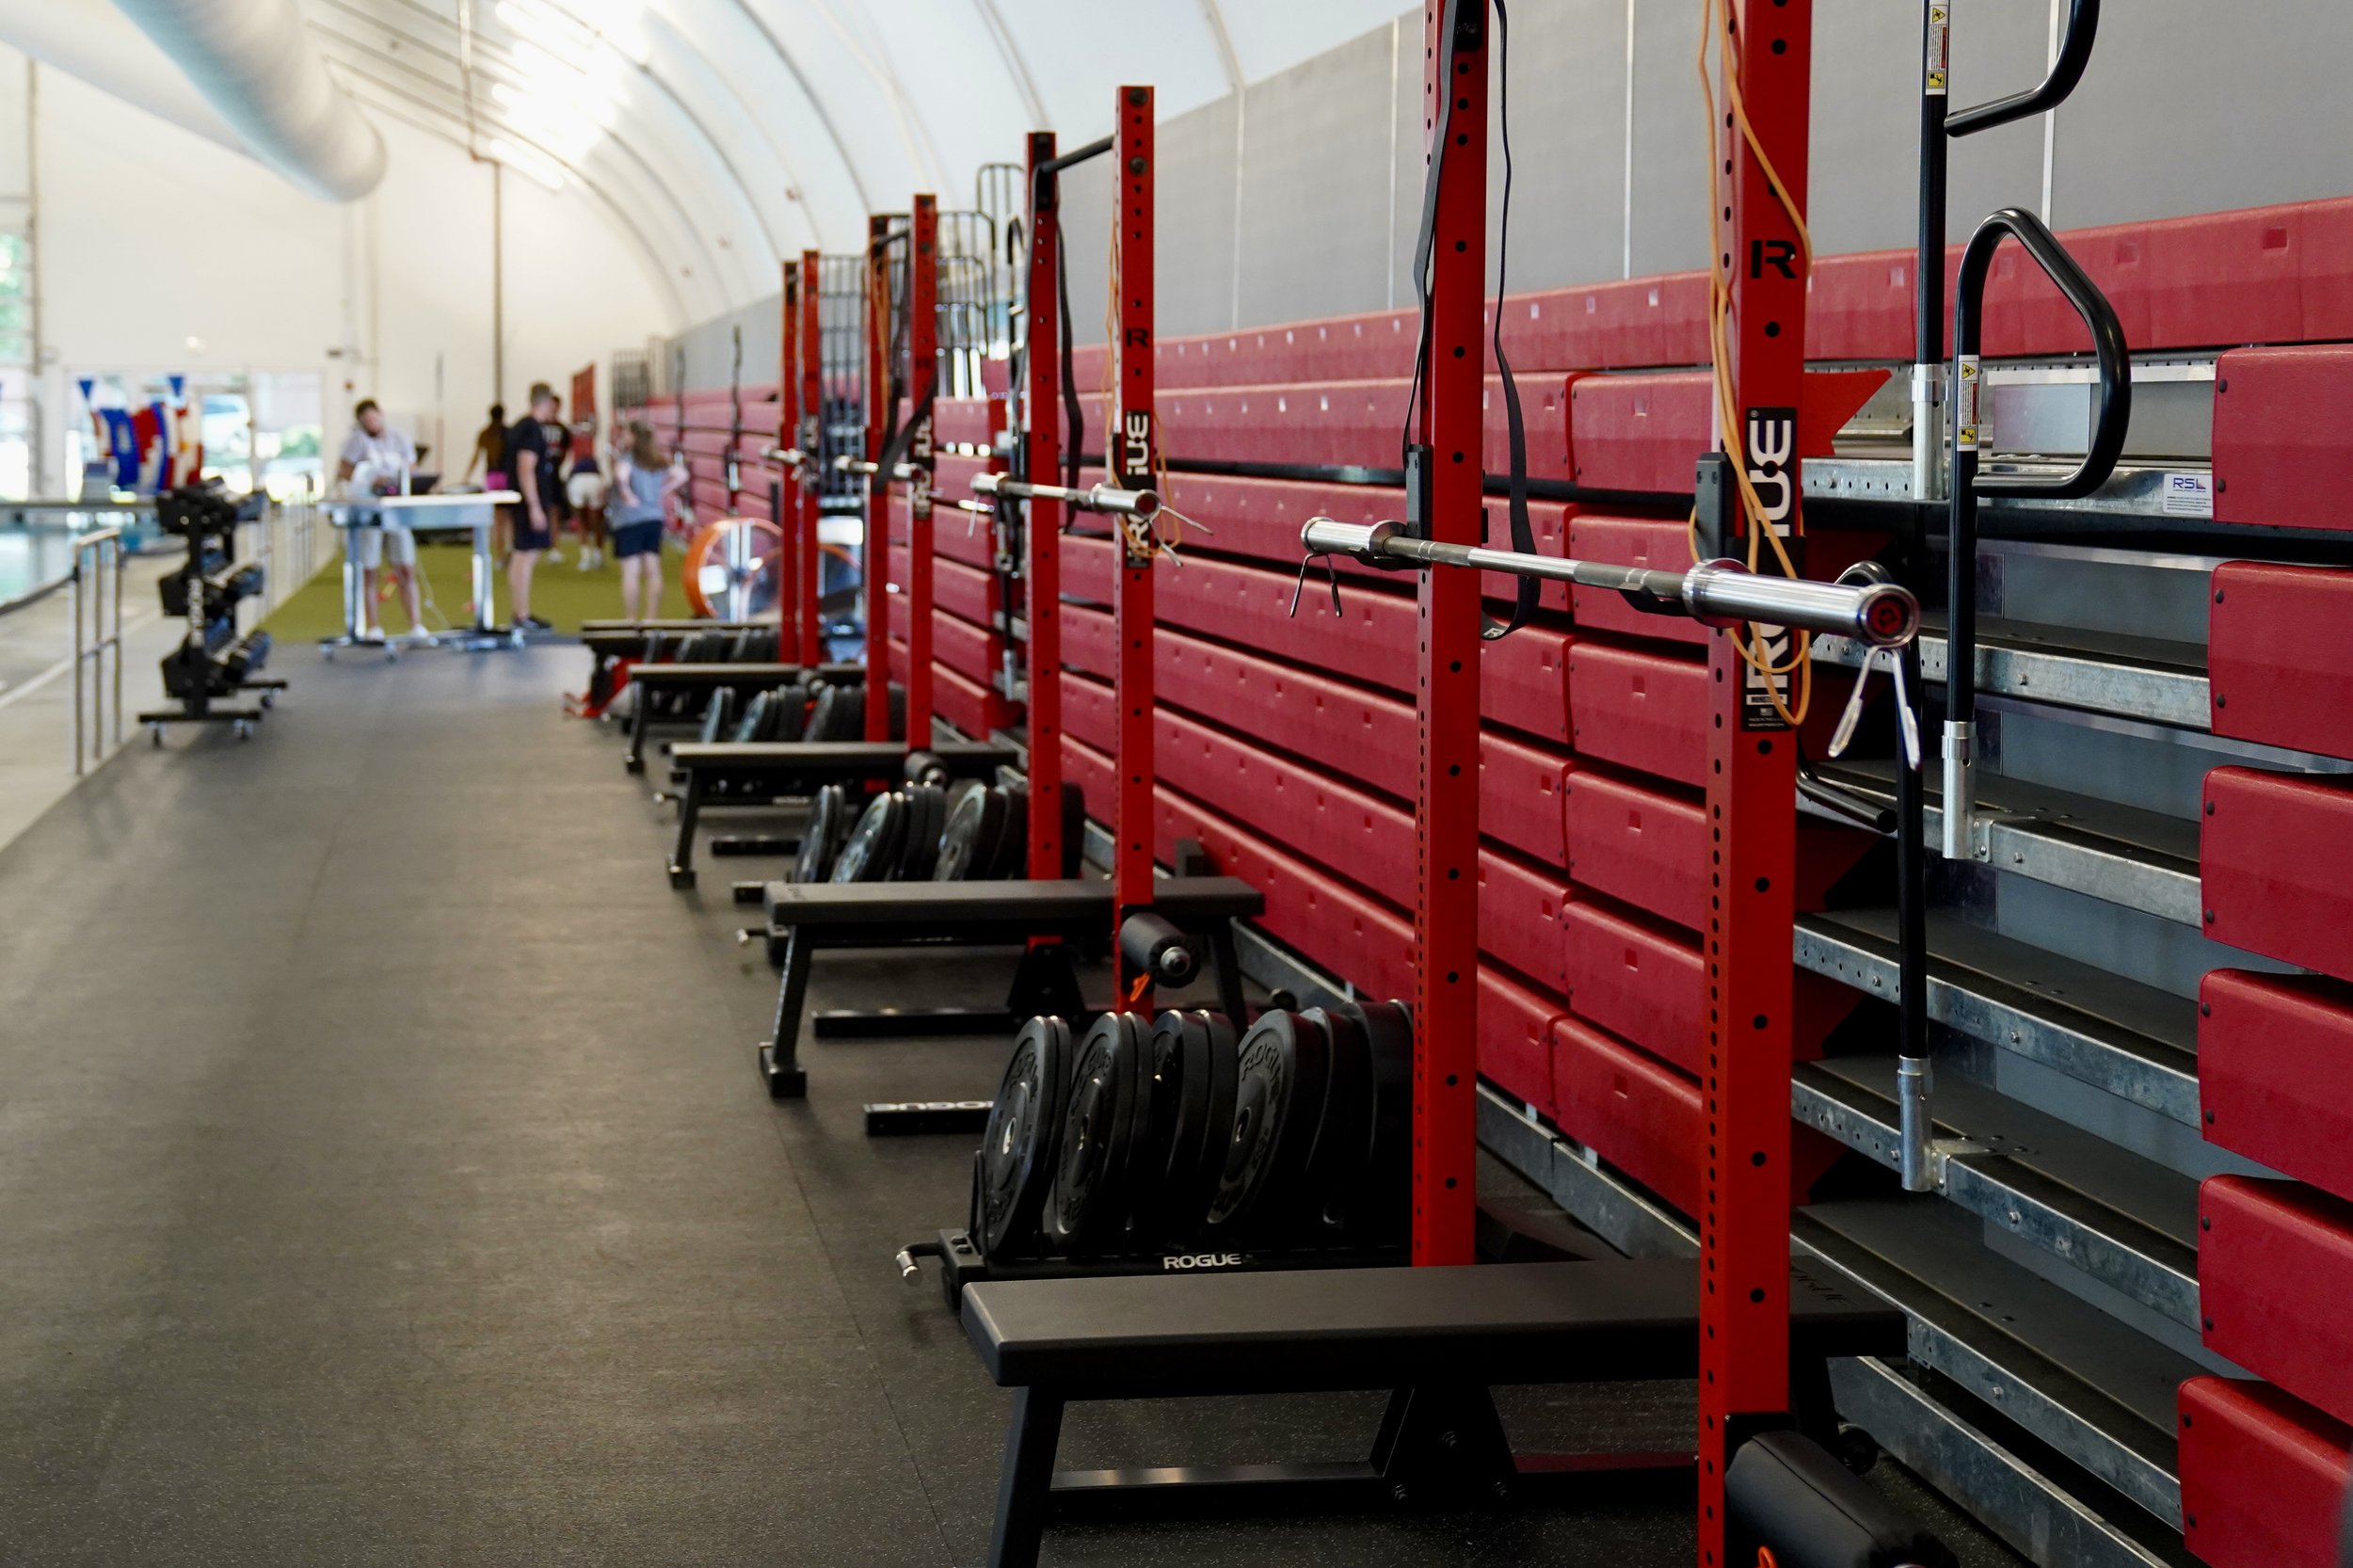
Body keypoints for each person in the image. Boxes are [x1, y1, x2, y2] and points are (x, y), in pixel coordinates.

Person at [335, 398, 424, 640]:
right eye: (366, 421)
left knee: (406, 567)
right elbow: (344, 469)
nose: (371, 424)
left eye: (373, 418)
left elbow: (413, 467)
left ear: (380, 415)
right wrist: (369, 479)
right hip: (369, 509)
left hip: (396, 510)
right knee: (369, 569)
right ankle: (373, 627)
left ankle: (415, 624)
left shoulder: (400, 438)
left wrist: (398, 478)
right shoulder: (356, 441)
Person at [610, 419, 684, 621]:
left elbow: (621, 476)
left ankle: (631, 618)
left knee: (631, 572)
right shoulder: (657, 460)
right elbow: (681, 475)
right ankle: (651, 617)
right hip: (654, 518)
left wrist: (627, 495)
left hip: (630, 519)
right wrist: (663, 490)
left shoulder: (627, 457)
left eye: (626, 434)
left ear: (634, 436)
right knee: (653, 570)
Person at [503, 383, 563, 632]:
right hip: (528, 502)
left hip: (527, 500)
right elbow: (525, 468)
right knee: (524, 555)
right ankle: (521, 613)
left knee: (527, 554)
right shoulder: (530, 429)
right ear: (546, 403)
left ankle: (521, 611)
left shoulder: (523, 426)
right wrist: (534, 506)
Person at [567, 420, 609, 571]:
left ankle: (585, 558)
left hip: (577, 480)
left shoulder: (572, 441)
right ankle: (598, 556)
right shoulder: (602, 442)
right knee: (598, 520)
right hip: (595, 479)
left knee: (581, 520)